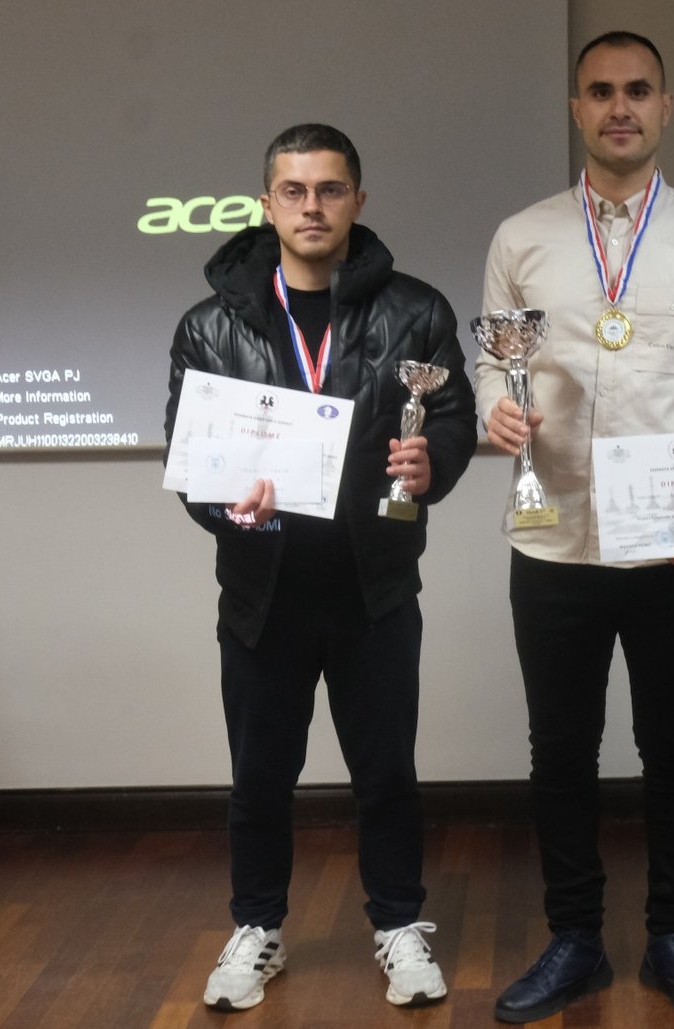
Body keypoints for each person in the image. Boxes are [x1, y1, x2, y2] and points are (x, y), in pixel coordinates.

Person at [476, 30, 674, 1025]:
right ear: (576, 109)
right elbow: (494, 363)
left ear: (664, 107)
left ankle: (673, 936)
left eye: (637, 90)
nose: (619, 107)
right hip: (552, 536)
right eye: (600, 91)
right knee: (560, 750)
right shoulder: (521, 237)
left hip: (673, 546)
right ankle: (573, 939)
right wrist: (495, 407)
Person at [165, 123, 476, 1011]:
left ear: (357, 201)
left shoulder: (416, 311)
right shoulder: (210, 324)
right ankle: (256, 927)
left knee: (387, 773)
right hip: (261, 593)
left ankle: (399, 925)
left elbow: (452, 420)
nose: (312, 206)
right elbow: (190, 456)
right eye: (294, 191)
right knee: (259, 778)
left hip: (375, 587)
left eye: (330, 189)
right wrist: (225, 504)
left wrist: (434, 462)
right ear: (266, 204)